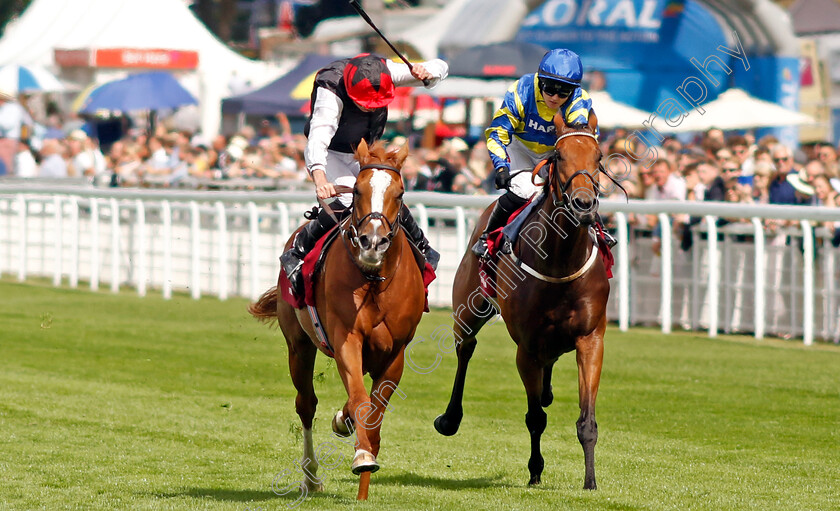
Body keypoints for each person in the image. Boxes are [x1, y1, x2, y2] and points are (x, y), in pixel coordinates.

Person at [280, 53, 448, 296]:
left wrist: (427, 74)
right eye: (363, 103)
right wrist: (320, 178)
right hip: (330, 153)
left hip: (363, 153)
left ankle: (423, 247)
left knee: (382, 195)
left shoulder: (388, 72)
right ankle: (297, 251)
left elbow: (441, 66)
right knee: (350, 200)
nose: (368, 108)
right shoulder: (331, 87)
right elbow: (318, 137)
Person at [472, 48, 615, 257]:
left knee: (574, 186)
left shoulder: (579, 100)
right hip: (519, 148)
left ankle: (595, 230)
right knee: (524, 190)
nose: (555, 97)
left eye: (563, 91)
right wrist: (501, 166)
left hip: (553, 152)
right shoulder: (521, 90)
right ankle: (488, 237)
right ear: (539, 80)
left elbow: (580, 139)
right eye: (549, 89)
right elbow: (497, 132)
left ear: (573, 90)